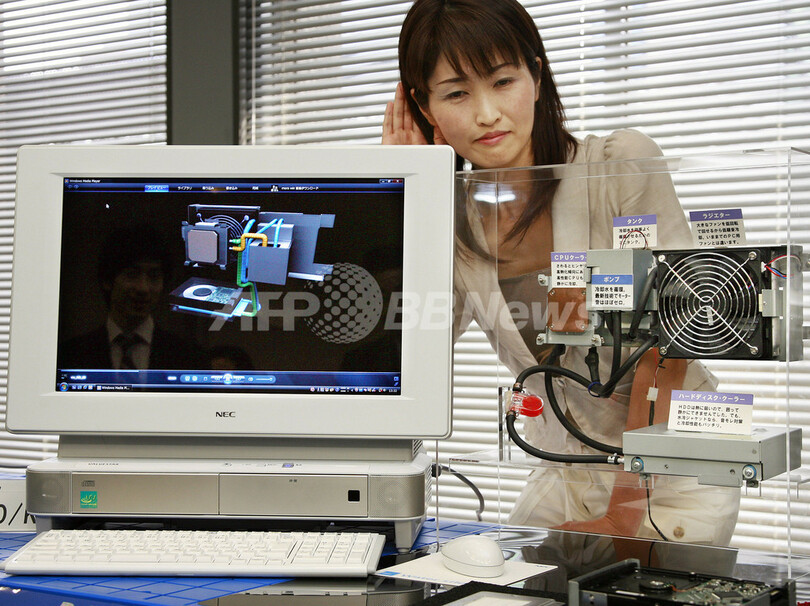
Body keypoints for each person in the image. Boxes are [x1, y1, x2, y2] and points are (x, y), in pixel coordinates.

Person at [383, 0, 739, 547]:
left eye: (503, 81)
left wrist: (624, 514)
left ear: (536, 75)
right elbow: (416, 344)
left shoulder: (618, 166)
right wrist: (406, 190)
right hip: (563, 468)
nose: (487, 114)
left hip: (670, 472)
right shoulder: (451, 216)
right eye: (456, 94)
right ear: (424, 107)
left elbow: (672, 344)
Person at [59, 226, 204, 371]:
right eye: (132, 275)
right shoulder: (70, 354)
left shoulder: (189, 356)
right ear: (107, 280)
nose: (143, 288)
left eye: (154, 277)